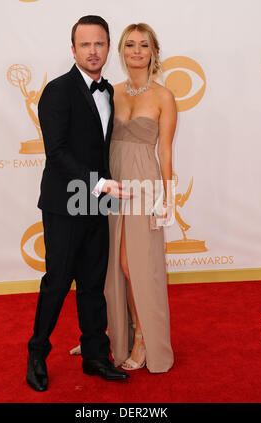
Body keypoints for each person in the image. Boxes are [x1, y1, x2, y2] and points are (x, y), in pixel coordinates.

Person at [26, 15, 132, 392]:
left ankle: (95, 356)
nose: (93, 50)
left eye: (99, 44)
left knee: (92, 282)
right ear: (73, 50)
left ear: (108, 48)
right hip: (66, 200)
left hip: (98, 200)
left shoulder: (110, 92)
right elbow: (56, 153)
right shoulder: (57, 91)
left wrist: (104, 186)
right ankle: (37, 353)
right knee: (57, 282)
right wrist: (100, 183)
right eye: (85, 44)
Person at [71, 23, 177, 373]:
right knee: (108, 264)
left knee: (136, 266)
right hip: (111, 182)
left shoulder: (163, 97)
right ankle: (108, 337)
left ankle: (143, 339)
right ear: (121, 51)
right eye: (129, 45)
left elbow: (165, 150)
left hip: (144, 184)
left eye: (143, 45)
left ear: (153, 51)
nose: (136, 51)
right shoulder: (110, 92)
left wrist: (168, 199)